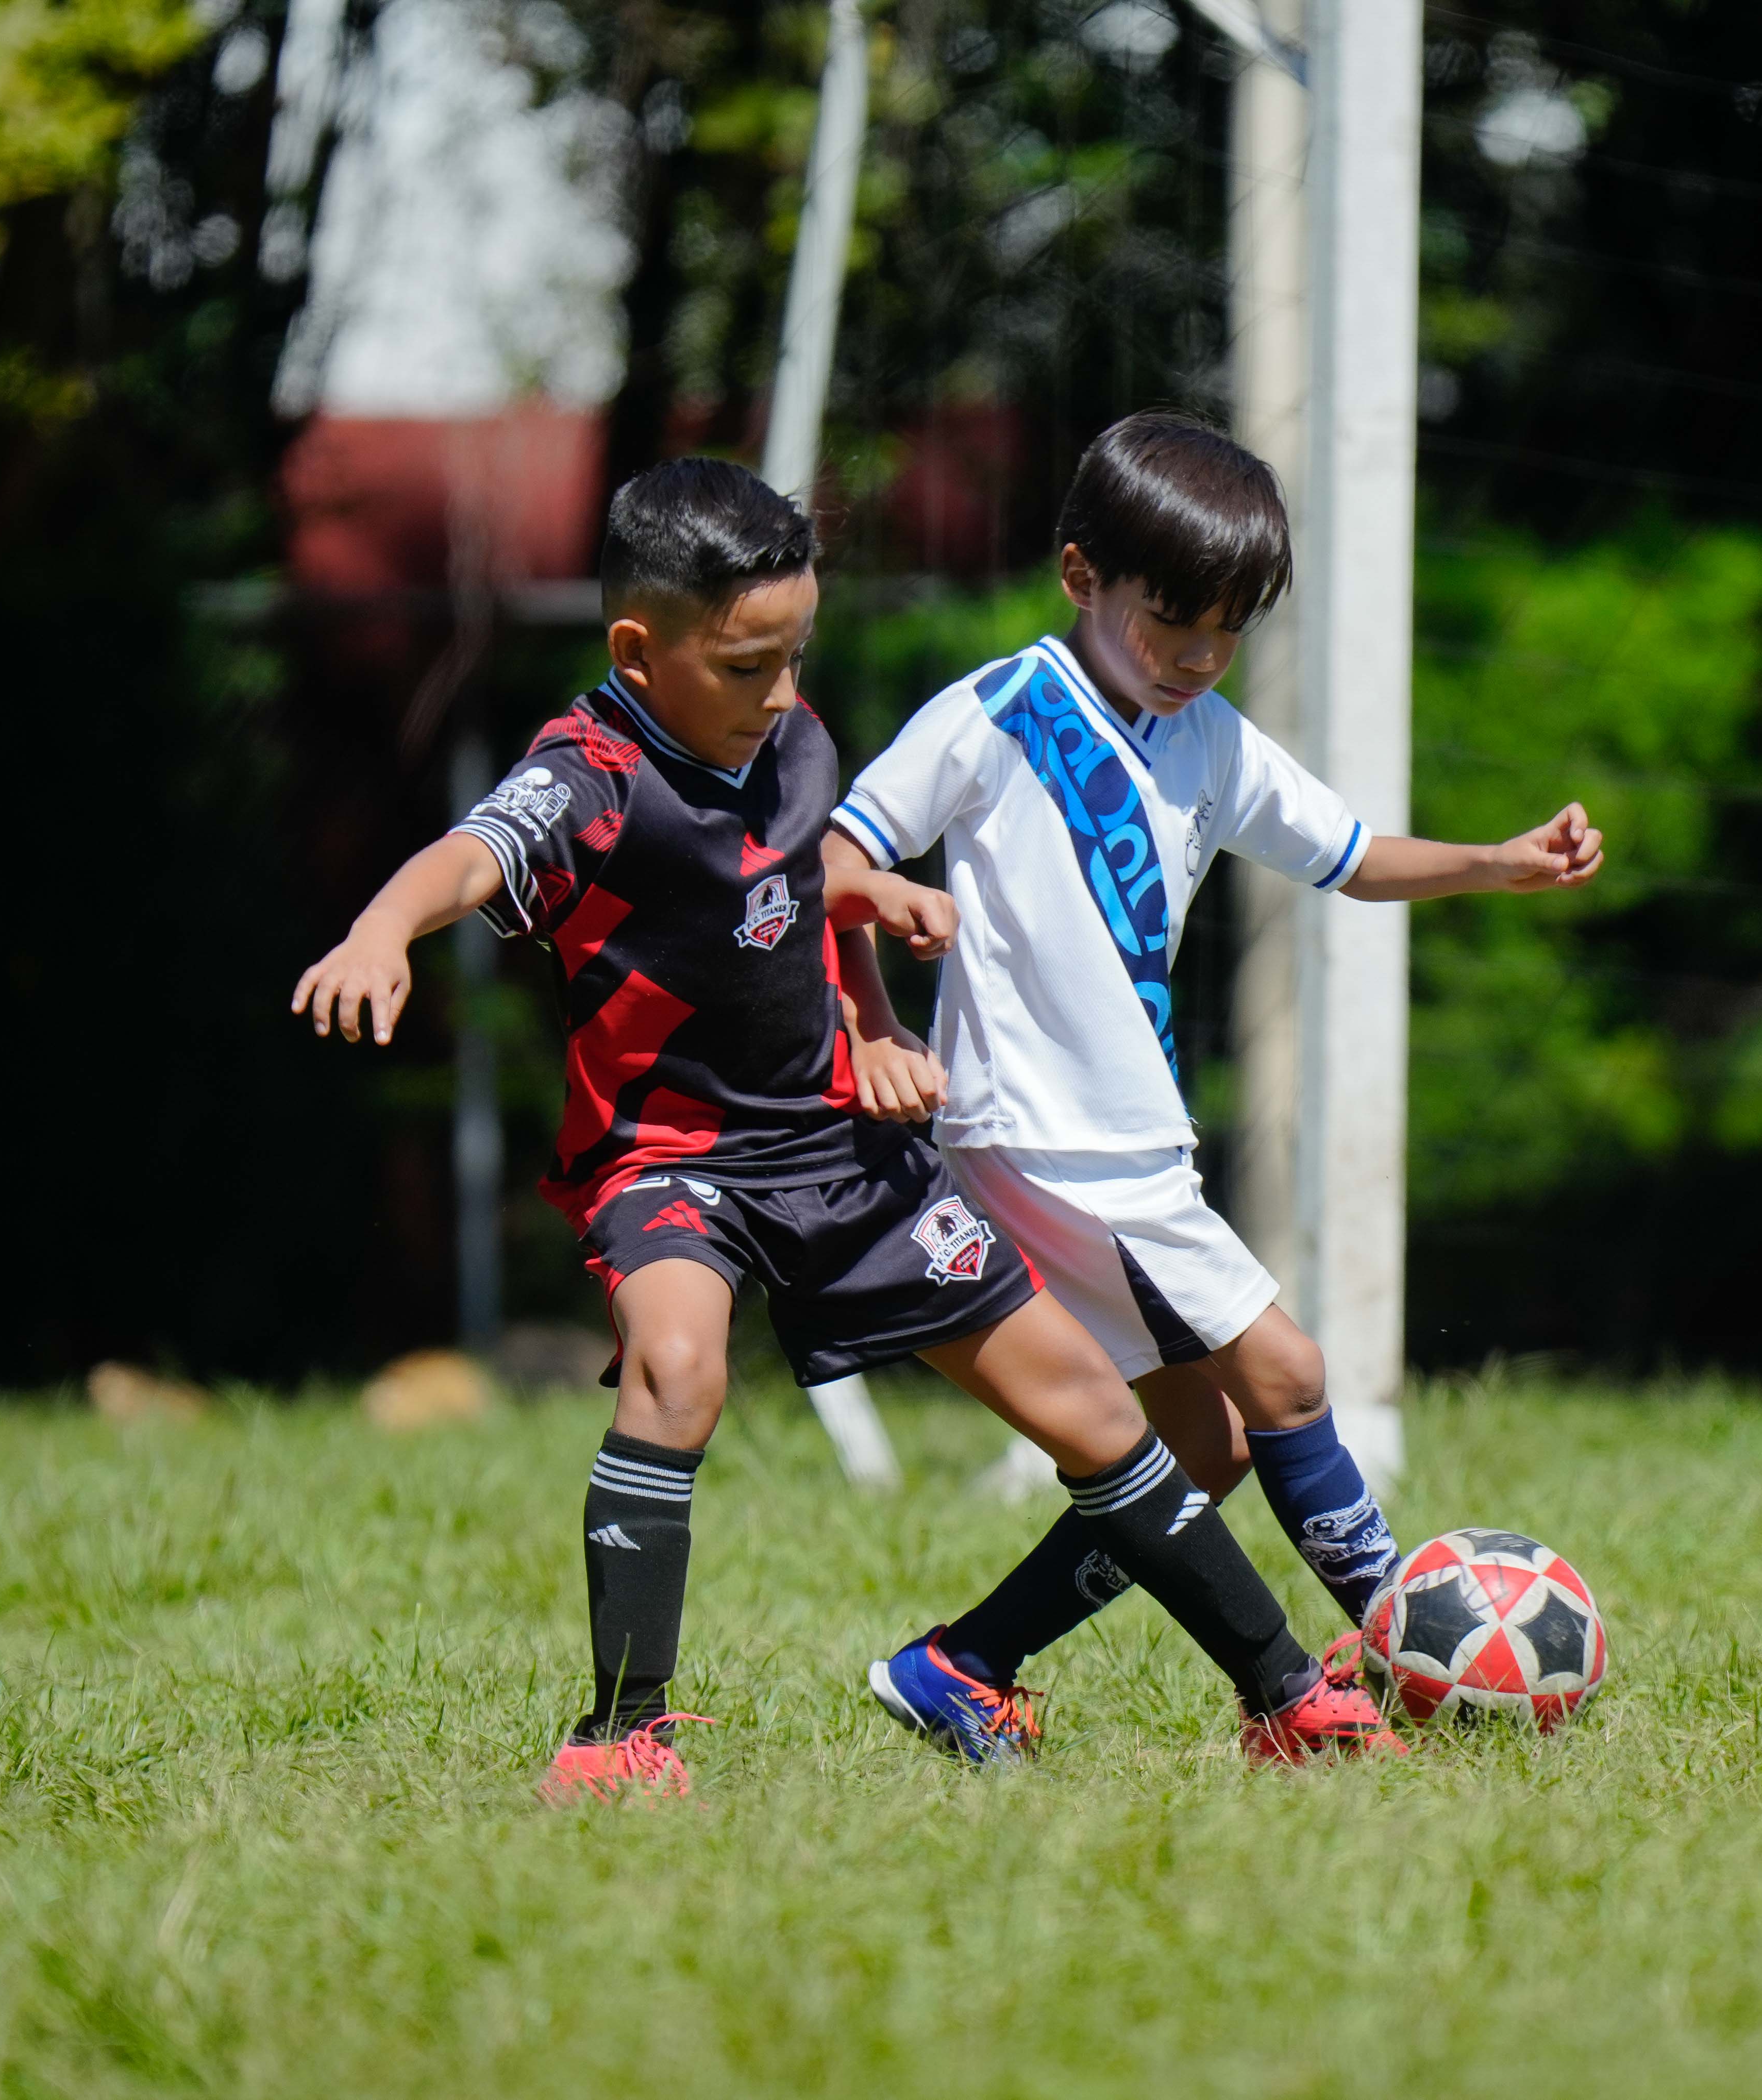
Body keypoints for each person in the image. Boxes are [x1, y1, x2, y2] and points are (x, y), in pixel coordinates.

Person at [291, 457, 1394, 1801]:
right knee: (679, 1370)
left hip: (838, 1152)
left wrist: (871, 966)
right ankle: (621, 1732)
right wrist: (377, 933)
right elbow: (467, 853)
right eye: (747, 661)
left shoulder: (793, 739)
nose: (780, 690)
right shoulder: (587, 774)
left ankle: (1283, 1697)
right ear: (640, 651)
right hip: (671, 1157)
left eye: (794, 652)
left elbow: (812, 880)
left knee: (1096, 1409)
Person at [823, 410, 1606, 1761]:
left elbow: (1349, 854)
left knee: (1197, 1447)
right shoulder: (996, 711)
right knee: (1287, 1369)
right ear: (1081, 576)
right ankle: (1411, 1659)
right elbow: (835, 855)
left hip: (1121, 1147)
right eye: (1167, 618)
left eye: (1224, 628)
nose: (1193, 654)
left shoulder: (1211, 740)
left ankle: (960, 1665)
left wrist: (1499, 860)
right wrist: (876, 1024)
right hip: (1050, 1138)